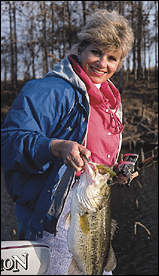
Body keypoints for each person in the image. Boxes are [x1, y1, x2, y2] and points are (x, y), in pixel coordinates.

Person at [1, 9, 135, 275]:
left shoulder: (109, 98)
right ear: (81, 48)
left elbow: (97, 159)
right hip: (54, 221)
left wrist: (116, 170)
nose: (102, 63)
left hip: (94, 212)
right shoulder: (50, 90)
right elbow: (9, 142)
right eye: (97, 51)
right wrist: (55, 147)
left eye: (112, 58)